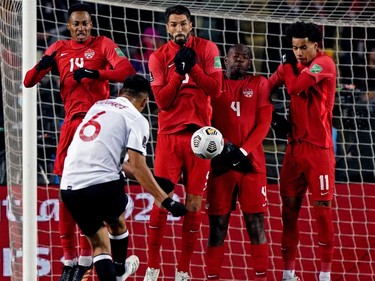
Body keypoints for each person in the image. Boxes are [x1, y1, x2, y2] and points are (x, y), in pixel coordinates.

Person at [23, 3, 136, 281]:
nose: (82, 28)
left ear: (91, 24)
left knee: (96, 192)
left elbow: (126, 71)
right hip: (72, 125)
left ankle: (90, 257)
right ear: (70, 26)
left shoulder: (103, 44)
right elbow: (28, 81)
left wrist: (97, 74)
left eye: (86, 23)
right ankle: (69, 260)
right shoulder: (58, 48)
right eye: (77, 24)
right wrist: (43, 64)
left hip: (100, 126)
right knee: (65, 190)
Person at [60, 74, 188, 281]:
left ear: (120, 93)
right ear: (145, 102)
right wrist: (166, 201)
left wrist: (152, 180)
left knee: (100, 245)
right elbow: (138, 166)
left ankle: (117, 272)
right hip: (102, 184)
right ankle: (119, 271)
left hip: (69, 187)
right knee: (117, 222)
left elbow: (116, 162)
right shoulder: (137, 119)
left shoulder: (98, 106)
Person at [144, 5, 223, 281]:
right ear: (167, 28)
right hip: (169, 137)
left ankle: (183, 271)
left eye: (183, 24)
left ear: (191, 25)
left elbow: (216, 89)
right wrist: (178, 72)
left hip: (201, 140)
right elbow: (162, 101)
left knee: (194, 205)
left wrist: (195, 68)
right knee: (160, 201)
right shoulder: (157, 57)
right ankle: (153, 267)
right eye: (173, 25)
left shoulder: (208, 49)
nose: (179, 29)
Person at [268, 21, 336, 281]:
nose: (298, 52)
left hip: (319, 150)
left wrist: (286, 66)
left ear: (316, 46)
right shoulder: (292, 65)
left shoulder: (324, 63)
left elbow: (295, 86)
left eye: (303, 47)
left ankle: (325, 275)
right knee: (289, 213)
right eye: (294, 47)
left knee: (322, 213)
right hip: (294, 149)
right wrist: (273, 117)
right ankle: (288, 274)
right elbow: (267, 87)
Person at [205, 44, 272, 281]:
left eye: (245, 58)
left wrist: (242, 151)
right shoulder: (214, 86)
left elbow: (264, 124)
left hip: (251, 165)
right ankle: (213, 276)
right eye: (235, 57)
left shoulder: (260, 83)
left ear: (250, 63)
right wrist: (225, 147)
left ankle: (261, 277)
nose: (239, 61)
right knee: (217, 227)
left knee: (256, 225)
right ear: (225, 61)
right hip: (220, 164)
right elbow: (205, 122)